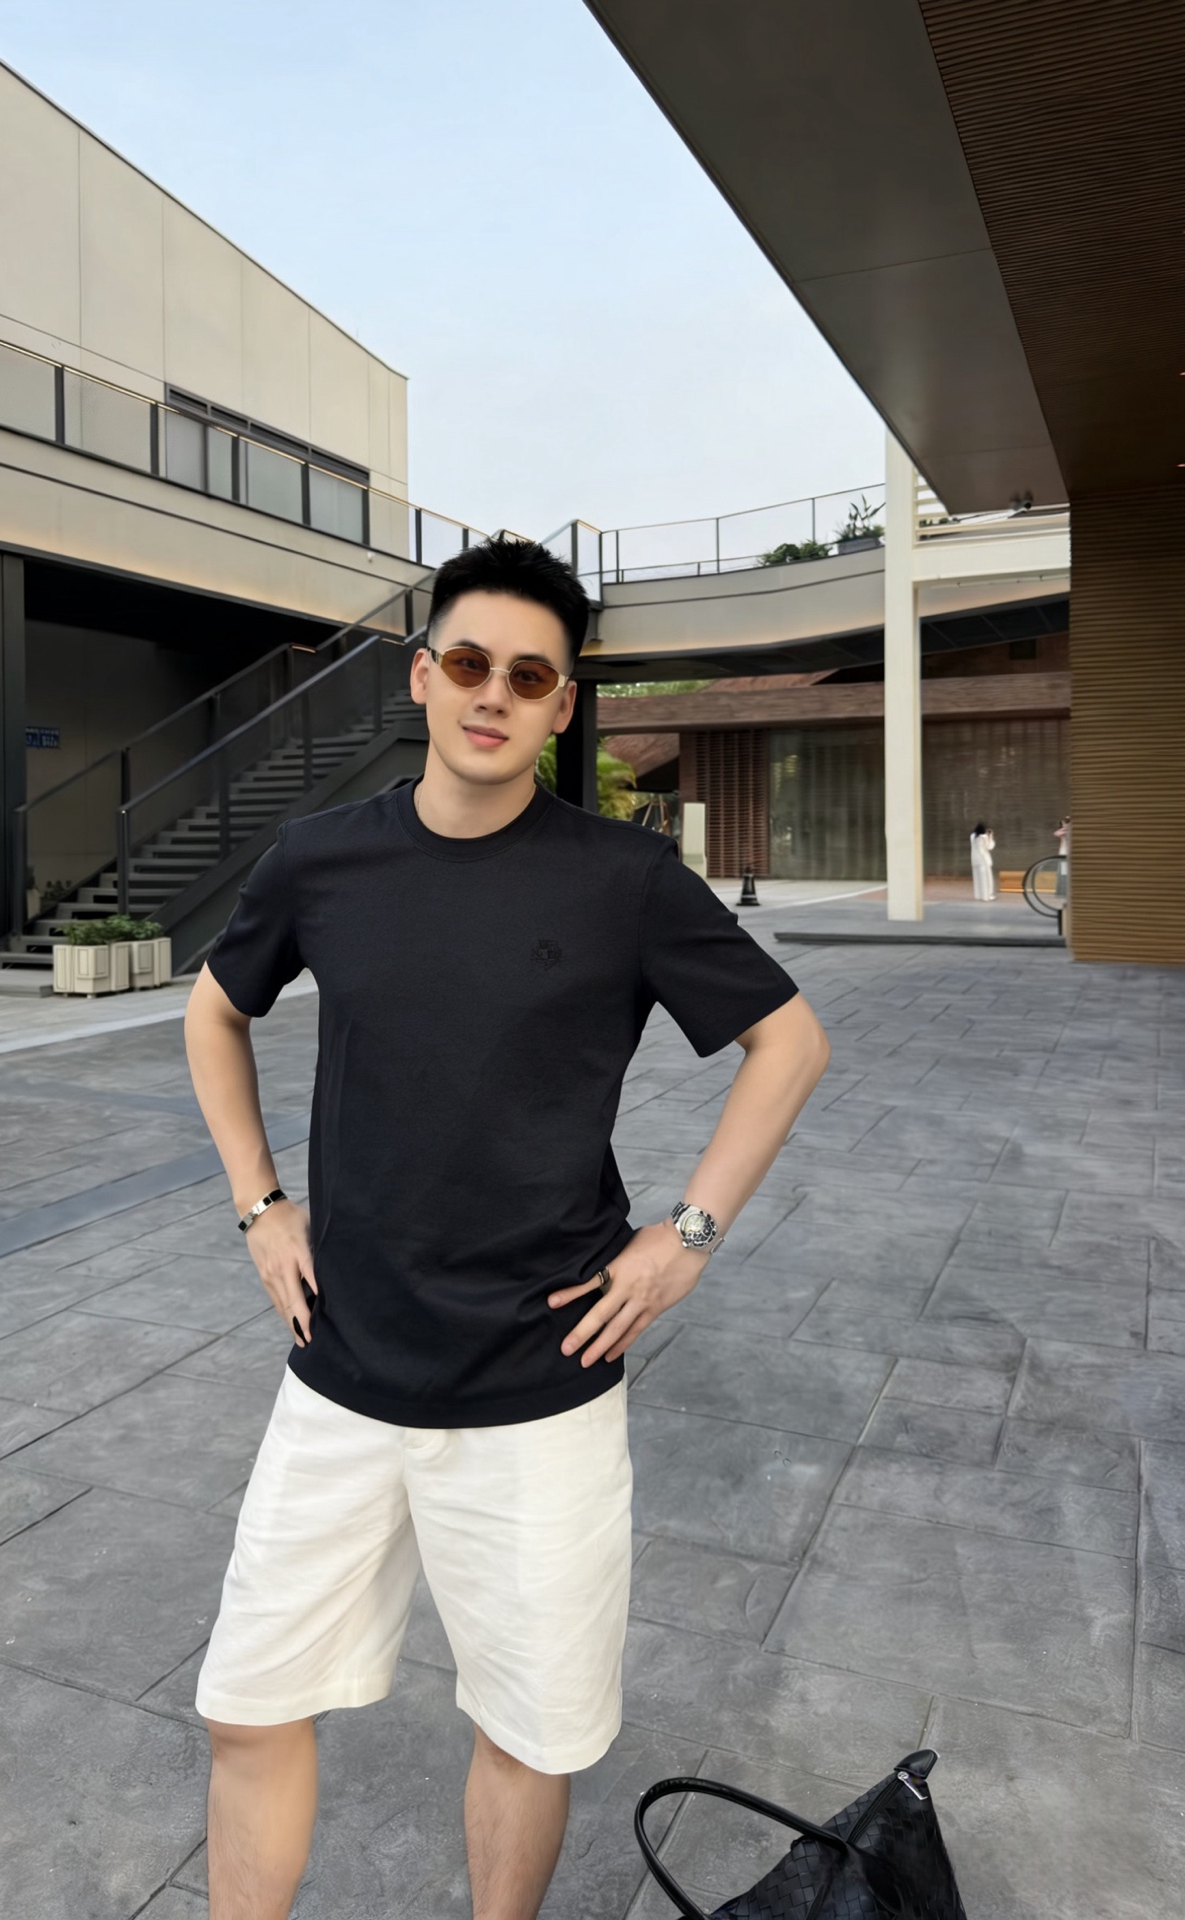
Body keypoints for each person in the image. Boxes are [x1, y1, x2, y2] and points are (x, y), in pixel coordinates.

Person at [183, 534, 831, 1920]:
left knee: (529, 1735)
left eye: (530, 677)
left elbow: (788, 1041)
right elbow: (213, 1011)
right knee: (247, 1707)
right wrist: (259, 1203)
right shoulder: (320, 861)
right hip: (343, 1368)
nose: (495, 693)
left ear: (561, 706)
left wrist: (688, 1235)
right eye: (470, 662)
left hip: (542, 1382)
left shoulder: (623, 878)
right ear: (423, 676)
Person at [970, 820, 996, 901]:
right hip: (984, 860)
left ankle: (979, 895)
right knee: (987, 879)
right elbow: (989, 847)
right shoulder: (984, 837)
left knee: (978, 879)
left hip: (975, 860)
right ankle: (987, 896)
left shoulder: (972, 837)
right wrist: (990, 837)